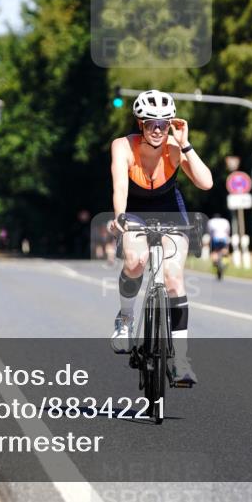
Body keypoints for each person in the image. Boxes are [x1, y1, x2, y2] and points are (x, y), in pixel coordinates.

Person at [107, 89, 213, 386]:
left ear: (171, 124)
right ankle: (125, 318)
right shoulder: (122, 146)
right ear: (140, 124)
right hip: (135, 212)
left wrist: (186, 144)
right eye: (151, 122)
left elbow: (206, 183)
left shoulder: (176, 146)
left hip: (170, 212)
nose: (158, 129)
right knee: (135, 260)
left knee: (174, 277)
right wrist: (119, 218)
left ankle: (180, 359)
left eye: (164, 123)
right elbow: (120, 186)